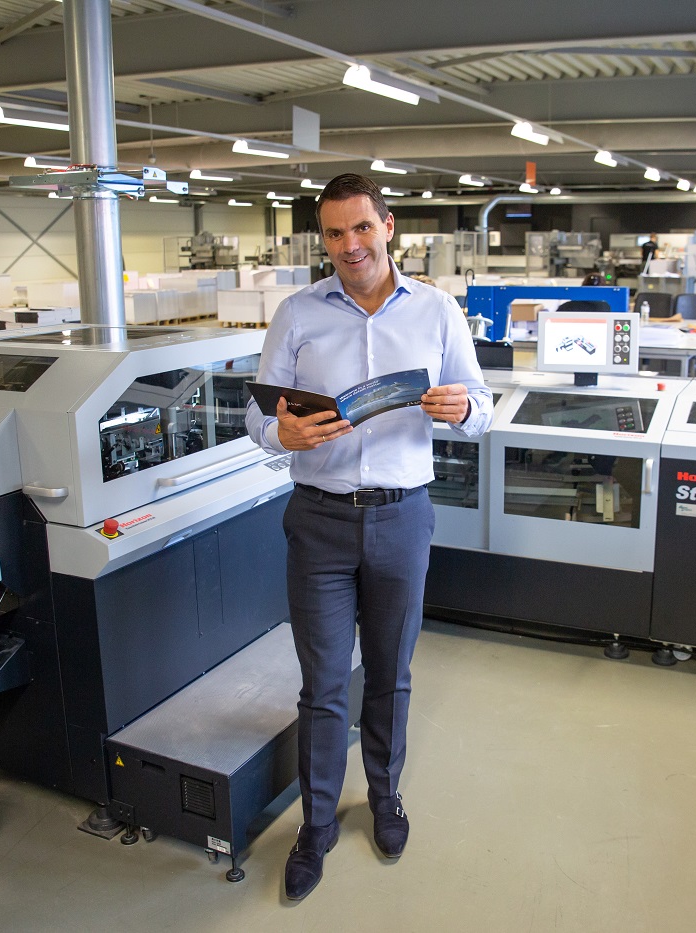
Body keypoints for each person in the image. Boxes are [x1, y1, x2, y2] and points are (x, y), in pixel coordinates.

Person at [245, 173, 493, 901]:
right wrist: (280, 433)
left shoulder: (437, 311)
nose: (349, 245)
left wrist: (461, 409)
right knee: (323, 684)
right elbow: (259, 416)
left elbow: (483, 408)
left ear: (388, 227)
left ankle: (385, 797)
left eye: (361, 228)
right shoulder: (297, 313)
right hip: (319, 521)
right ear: (322, 239)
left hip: (402, 517)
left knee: (389, 672)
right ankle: (317, 823)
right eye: (334, 233)